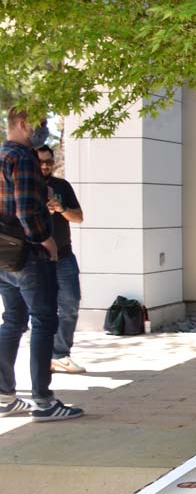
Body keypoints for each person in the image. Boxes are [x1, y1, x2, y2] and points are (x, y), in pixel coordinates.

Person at [0, 109, 82, 421]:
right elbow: (25, 208)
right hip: (29, 255)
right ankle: (44, 401)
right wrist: (44, 239)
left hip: (4, 255)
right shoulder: (22, 157)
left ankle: (5, 396)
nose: (43, 129)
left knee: (12, 321)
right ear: (22, 124)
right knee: (44, 321)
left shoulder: (2, 155)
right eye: (40, 123)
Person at [37, 146, 86, 374]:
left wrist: (61, 208)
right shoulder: (24, 186)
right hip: (35, 258)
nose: (45, 166)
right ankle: (40, 358)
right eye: (41, 162)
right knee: (37, 311)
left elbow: (78, 217)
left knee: (70, 304)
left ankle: (60, 354)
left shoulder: (61, 186)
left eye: (49, 161)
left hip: (64, 256)